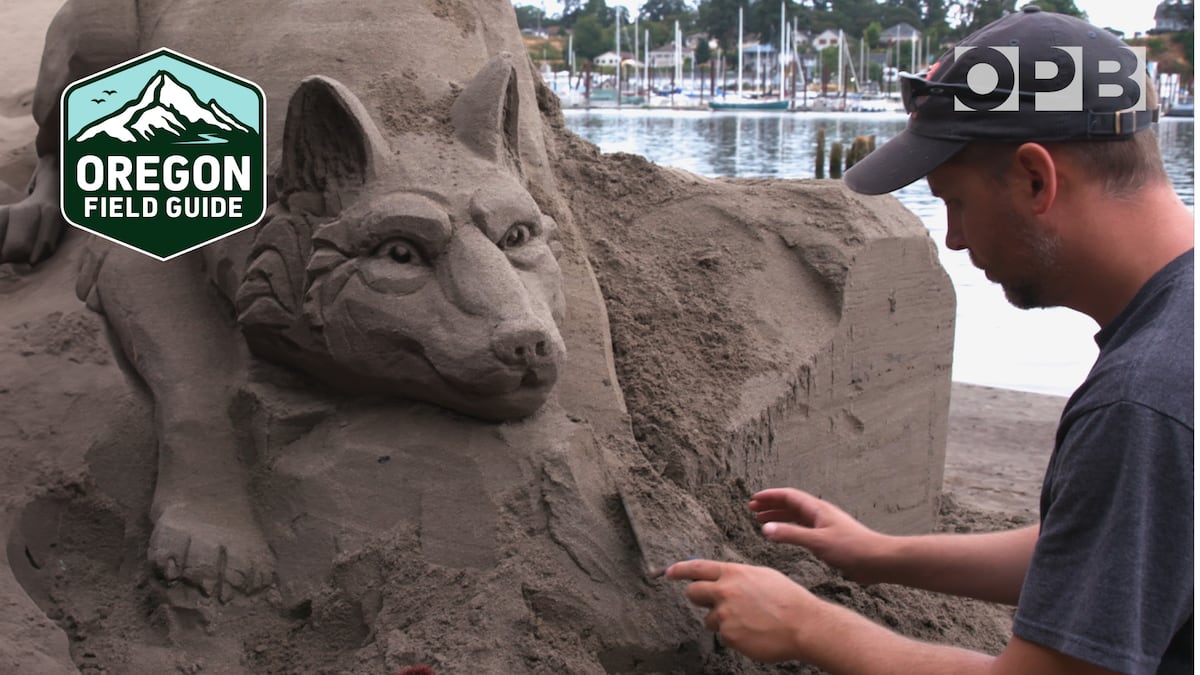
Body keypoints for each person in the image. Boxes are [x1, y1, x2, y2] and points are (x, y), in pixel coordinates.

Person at [666, 7, 1194, 674]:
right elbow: (1108, 551)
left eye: (955, 200)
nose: (953, 238)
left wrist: (808, 625)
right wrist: (876, 554)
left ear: (1037, 179)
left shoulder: (1146, 400)